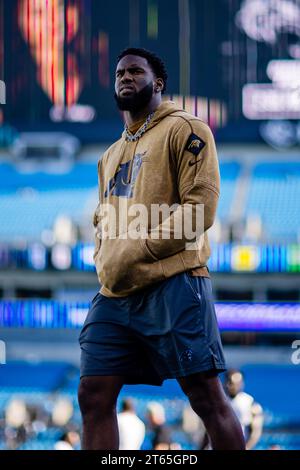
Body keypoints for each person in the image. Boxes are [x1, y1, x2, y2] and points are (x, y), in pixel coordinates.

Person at [78, 47, 245, 450]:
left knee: (204, 393)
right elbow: (104, 219)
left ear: (159, 83)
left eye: (136, 71)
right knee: (93, 394)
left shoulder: (186, 129)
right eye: (119, 72)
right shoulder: (109, 155)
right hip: (115, 293)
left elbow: (199, 211)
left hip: (174, 282)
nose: (125, 77)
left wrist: (139, 249)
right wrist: (108, 259)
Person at [224, 369, 264, 450]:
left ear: (241, 384)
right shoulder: (219, 402)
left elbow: (256, 432)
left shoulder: (251, 403)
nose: (232, 386)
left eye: (236, 383)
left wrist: (247, 447)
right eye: (230, 382)